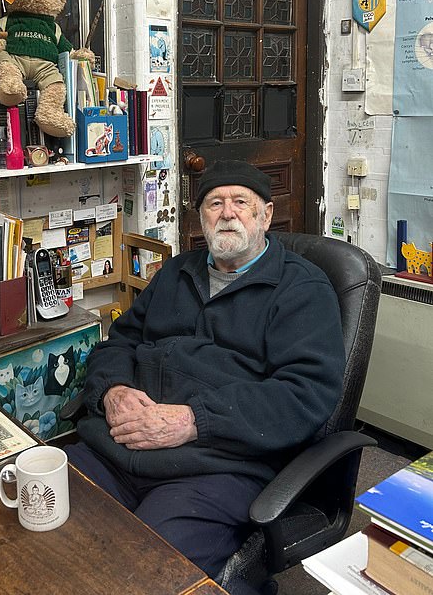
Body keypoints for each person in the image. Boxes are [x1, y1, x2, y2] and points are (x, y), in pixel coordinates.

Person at [66, 160, 345, 591]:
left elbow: (304, 394)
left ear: (265, 216)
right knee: (42, 514)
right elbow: (118, 342)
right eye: (215, 203)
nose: (227, 213)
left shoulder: (302, 290)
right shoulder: (176, 273)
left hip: (216, 468)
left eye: (241, 203)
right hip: (117, 448)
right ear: (201, 218)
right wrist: (113, 391)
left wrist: (193, 421)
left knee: (140, 571)